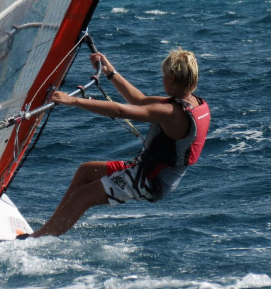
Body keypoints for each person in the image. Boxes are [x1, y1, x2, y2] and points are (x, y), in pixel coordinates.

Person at [27, 48, 210, 238]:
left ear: (171, 78)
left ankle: (38, 239)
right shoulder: (193, 102)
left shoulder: (172, 113)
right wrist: (110, 72)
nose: (162, 79)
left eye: (164, 75)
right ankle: (49, 228)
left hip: (151, 180)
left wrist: (73, 101)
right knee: (86, 171)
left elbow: (121, 111)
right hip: (149, 169)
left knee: (82, 196)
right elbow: (138, 100)